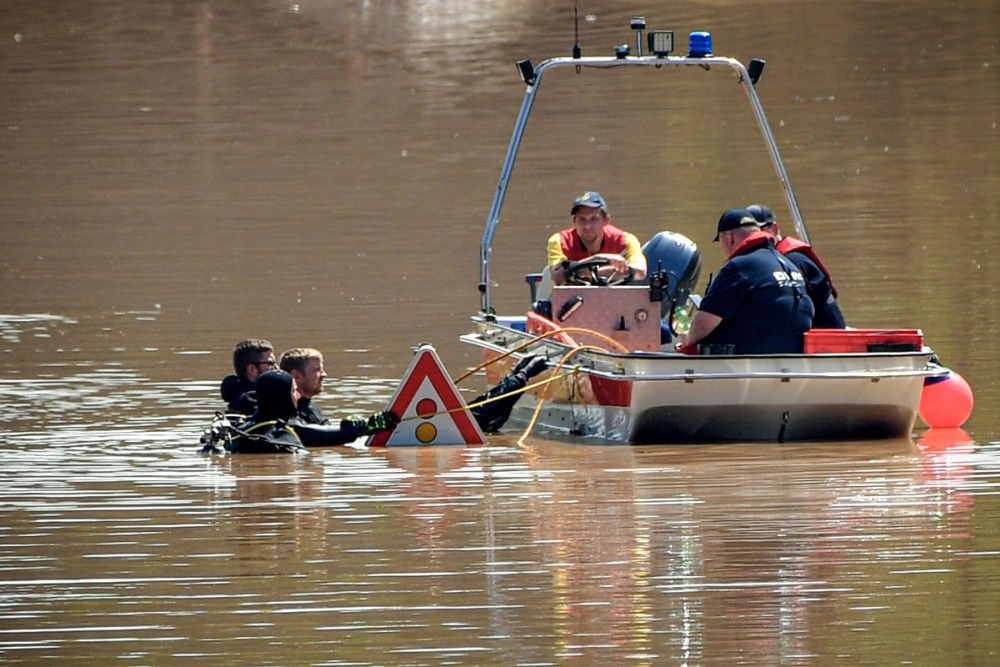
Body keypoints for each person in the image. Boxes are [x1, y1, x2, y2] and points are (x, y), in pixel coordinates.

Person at [678, 208, 814, 355]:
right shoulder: (788, 264)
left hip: (750, 363)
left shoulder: (738, 267)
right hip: (794, 357)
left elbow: (695, 334)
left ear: (730, 238)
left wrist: (680, 319)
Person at [203, 369, 400, 454]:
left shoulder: (244, 426)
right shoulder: (285, 429)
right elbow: (339, 435)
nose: (297, 396)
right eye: (293, 391)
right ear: (282, 396)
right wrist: (374, 424)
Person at [747, 204, 846, 329]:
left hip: (824, 337)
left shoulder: (792, 261)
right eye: (746, 235)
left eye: (756, 232)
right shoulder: (776, 260)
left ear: (774, 229)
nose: (751, 239)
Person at [547, 191, 647, 286]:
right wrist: (599, 258)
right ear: (574, 222)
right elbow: (558, 276)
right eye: (581, 219)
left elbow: (640, 271)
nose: (587, 226)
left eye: (594, 219)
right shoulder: (560, 241)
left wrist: (578, 270)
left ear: (606, 220)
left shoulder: (625, 240)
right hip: (571, 301)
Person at [220, 338, 275, 415]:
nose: (276, 368)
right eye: (270, 363)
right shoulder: (251, 402)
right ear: (253, 369)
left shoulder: (236, 394)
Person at [278, 347, 330, 424]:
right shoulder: (289, 414)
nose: (324, 375)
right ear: (296, 376)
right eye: (317, 370)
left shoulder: (312, 408)